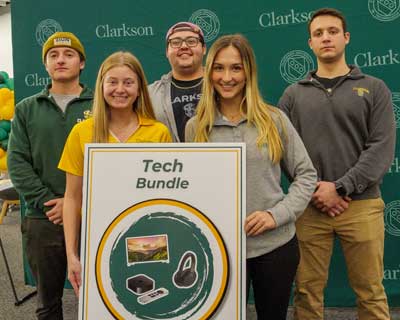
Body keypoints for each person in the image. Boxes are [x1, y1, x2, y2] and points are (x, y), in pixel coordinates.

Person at [185, 34, 317, 319]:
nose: (227, 77)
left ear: (248, 72)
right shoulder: (196, 127)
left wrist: (276, 215)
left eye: (236, 68)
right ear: (209, 73)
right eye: (219, 68)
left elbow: (306, 175)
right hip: (221, 249)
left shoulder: (274, 120)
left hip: (276, 246)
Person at [278, 8, 395, 320]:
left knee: (370, 292)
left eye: (332, 31)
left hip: (362, 206)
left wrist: (341, 187)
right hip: (308, 208)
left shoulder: (374, 88)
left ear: (346, 38)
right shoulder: (292, 95)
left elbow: (381, 148)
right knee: (306, 292)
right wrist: (317, 191)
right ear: (310, 43)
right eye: (318, 33)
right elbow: (285, 150)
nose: (325, 37)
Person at [58, 51, 172, 296]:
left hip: (148, 238)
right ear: (101, 86)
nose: (120, 89)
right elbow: (72, 198)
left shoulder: (158, 132)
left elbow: (165, 198)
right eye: (113, 82)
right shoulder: (81, 133)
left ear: (140, 88)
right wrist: (72, 254)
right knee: (105, 303)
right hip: (99, 237)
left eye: (128, 82)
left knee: (146, 300)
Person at [7, 32, 93, 319]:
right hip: (43, 219)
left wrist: (77, 205)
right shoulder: (26, 109)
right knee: (48, 303)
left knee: (102, 294)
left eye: (68, 55)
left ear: (81, 63)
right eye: (53, 56)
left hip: (93, 217)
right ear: (45, 65)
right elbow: (17, 162)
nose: (60, 60)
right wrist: (52, 202)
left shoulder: (102, 107)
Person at [148, 21, 206, 142]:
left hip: (217, 159)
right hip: (169, 161)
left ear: (204, 49)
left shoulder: (222, 87)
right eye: (175, 42)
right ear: (166, 52)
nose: (184, 46)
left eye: (191, 41)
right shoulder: (150, 94)